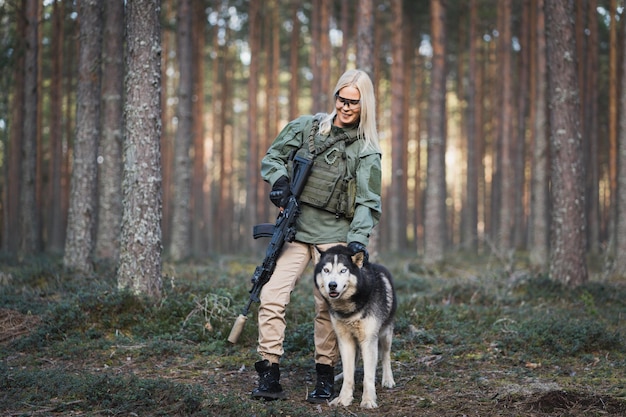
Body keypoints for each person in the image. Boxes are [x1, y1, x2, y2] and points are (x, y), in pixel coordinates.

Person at [252, 68, 382, 403]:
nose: (346, 107)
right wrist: (279, 182)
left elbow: (368, 201)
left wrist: (357, 240)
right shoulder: (308, 127)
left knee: (327, 305)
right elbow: (273, 157)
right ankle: (269, 372)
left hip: (335, 235)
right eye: (342, 98)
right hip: (295, 231)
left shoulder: (365, 150)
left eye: (354, 101)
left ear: (364, 104)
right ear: (335, 95)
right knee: (271, 296)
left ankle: (325, 376)